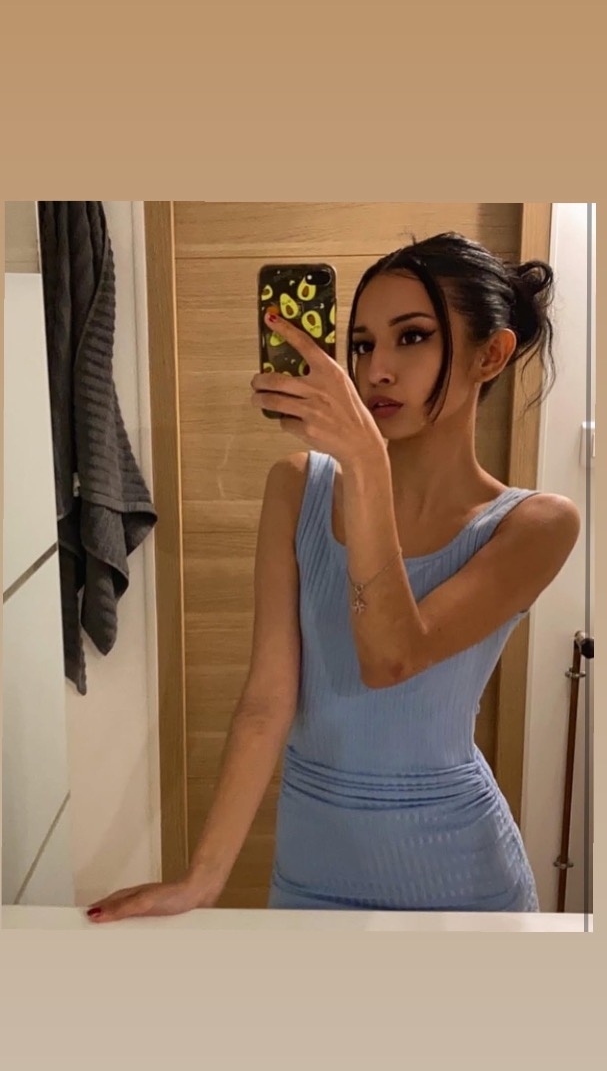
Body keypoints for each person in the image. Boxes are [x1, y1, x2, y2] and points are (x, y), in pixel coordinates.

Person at [87, 232, 580, 922]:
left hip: (461, 880)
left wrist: (365, 464)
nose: (376, 370)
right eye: (361, 344)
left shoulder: (535, 524)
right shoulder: (297, 487)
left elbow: (391, 656)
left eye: (412, 338)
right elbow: (267, 701)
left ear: (489, 355)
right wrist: (201, 880)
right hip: (310, 871)